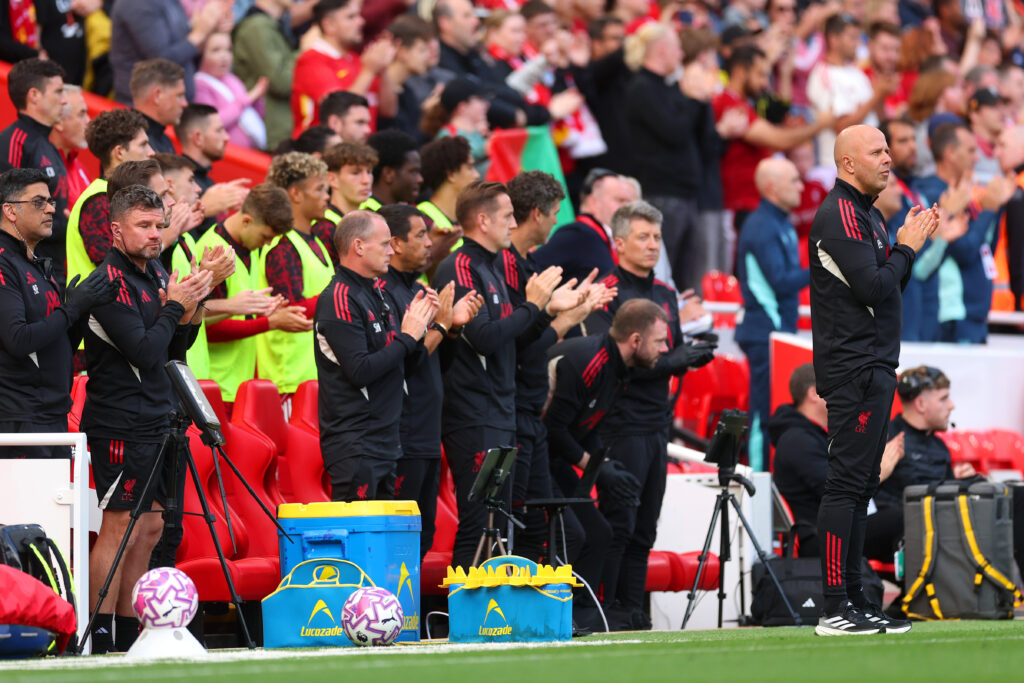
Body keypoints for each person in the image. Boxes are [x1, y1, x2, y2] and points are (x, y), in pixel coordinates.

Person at [808, 124, 939, 636]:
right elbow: (872, 286)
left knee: (861, 484)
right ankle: (835, 606)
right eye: (876, 151)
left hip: (874, 364)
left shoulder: (869, 214)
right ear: (847, 164)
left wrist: (908, 246)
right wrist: (905, 247)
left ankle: (857, 601)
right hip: (854, 368)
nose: (888, 159)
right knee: (845, 486)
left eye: (888, 149)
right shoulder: (840, 215)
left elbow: (889, 286)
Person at [84, 185, 212, 654]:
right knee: (120, 523)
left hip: (161, 414)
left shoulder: (156, 271)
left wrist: (194, 302)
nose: (156, 234)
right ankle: (99, 634)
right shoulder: (106, 283)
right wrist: (176, 305)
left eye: (160, 225)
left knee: (152, 527)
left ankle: (128, 631)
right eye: (144, 225)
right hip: (120, 420)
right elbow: (142, 350)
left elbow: (173, 351)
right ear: (116, 229)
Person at [583, 200, 716, 630]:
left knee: (646, 526)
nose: (653, 245)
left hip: (657, 422)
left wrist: (687, 356)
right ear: (618, 242)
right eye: (643, 237)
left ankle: (634, 611)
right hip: (620, 422)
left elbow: (666, 352)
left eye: (657, 237)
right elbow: (617, 360)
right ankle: (609, 611)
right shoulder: (607, 292)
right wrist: (679, 360)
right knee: (619, 520)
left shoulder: (664, 293)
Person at [431, 180, 569, 569]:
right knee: (479, 521)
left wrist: (546, 310)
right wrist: (533, 304)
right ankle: (461, 620)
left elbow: (516, 338)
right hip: (472, 413)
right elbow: (484, 337)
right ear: (482, 220)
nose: (514, 223)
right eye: (507, 216)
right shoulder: (459, 266)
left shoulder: (490, 266)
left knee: (500, 521)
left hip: (500, 409)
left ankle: (495, 618)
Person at [545, 298, 677, 629]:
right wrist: (596, 467)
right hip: (535, 457)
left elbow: (586, 426)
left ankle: (588, 615)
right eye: (660, 341)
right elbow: (553, 430)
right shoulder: (588, 362)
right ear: (636, 340)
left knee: (600, 532)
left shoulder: (618, 369)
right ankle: (559, 614)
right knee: (578, 534)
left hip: (557, 458)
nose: (665, 350)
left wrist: (603, 465)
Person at [503, 170, 611, 562]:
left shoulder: (528, 267)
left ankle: (539, 620)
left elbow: (534, 341)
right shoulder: (508, 270)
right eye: (554, 213)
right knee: (513, 525)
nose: (556, 222)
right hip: (508, 412)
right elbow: (515, 342)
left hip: (528, 412)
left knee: (543, 531)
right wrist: (548, 309)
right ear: (537, 213)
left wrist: (573, 311)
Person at [377, 203, 482, 553]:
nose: (428, 243)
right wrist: (441, 324)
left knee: (424, 537)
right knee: (398, 541)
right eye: (420, 235)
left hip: (426, 432)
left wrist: (452, 330)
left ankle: (410, 612)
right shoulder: (383, 293)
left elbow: (436, 362)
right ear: (395, 243)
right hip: (401, 434)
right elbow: (407, 360)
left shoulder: (416, 288)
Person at [315, 210, 439, 501]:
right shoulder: (339, 298)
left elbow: (401, 366)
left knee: (388, 541)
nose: (392, 250)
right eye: (384, 244)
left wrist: (425, 331)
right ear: (358, 246)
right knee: (361, 539)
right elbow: (360, 370)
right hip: (357, 443)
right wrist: (407, 336)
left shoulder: (377, 293)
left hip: (387, 439)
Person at [0, 168, 117, 458]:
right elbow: (18, 339)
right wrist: (73, 308)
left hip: (50, 412)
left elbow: (56, 340)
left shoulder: (36, 263)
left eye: (50, 201)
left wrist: (81, 311)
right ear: (10, 211)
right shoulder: (4, 264)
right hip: (19, 417)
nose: (51, 208)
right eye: (38, 202)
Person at [770, 363, 904, 562]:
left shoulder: (820, 434)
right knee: (907, 518)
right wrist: (878, 471)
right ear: (815, 393)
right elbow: (838, 492)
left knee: (912, 512)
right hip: (819, 536)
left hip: (842, 524)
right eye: (843, 387)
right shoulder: (797, 440)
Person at [623, 21, 717, 291]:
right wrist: (695, 100)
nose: (680, 55)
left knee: (686, 272)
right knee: (662, 269)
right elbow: (673, 131)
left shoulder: (670, 88)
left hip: (686, 192)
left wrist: (701, 100)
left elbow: (702, 138)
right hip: (662, 190)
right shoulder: (641, 87)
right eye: (677, 48)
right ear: (661, 49)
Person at [197, 184, 301, 404]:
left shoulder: (249, 248)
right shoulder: (214, 250)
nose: (269, 243)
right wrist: (269, 323)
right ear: (246, 221)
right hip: (215, 385)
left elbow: (239, 313)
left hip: (236, 387)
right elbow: (206, 327)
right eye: (266, 236)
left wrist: (263, 311)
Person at [735, 158, 809, 471]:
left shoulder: (779, 222)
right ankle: (756, 483)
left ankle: (769, 482)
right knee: (762, 413)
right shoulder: (762, 225)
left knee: (775, 412)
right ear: (771, 188)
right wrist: (823, 266)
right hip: (765, 331)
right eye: (793, 181)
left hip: (777, 332)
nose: (801, 186)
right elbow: (779, 281)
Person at [915, 123, 1014, 344]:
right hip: (954, 315)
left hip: (974, 314)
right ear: (950, 153)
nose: (977, 158)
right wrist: (989, 209)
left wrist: (995, 208)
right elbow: (965, 251)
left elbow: (984, 247)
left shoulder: (963, 191)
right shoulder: (933, 194)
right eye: (970, 150)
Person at [258, 152, 333, 396]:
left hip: (314, 375)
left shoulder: (316, 242)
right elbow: (291, 308)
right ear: (296, 193)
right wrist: (339, 294)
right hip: (289, 380)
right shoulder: (282, 244)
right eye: (320, 189)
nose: (327, 196)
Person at [66, 109, 155, 287]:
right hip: (94, 312)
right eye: (143, 145)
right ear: (119, 152)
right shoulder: (98, 201)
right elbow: (113, 268)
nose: (151, 152)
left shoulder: (121, 196)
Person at [0, 58, 69, 280]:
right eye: (58, 92)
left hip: (52, 267)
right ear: (34, 96)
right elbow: (6, 209)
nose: (64, 100)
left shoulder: (46, 143)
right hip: (25, 272)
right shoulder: (14, 141)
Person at [291, 0, 396, 137]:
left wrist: (383, 68)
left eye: (358, 15)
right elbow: (338, 110)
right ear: (329, 25)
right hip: (320, 152)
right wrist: (369, 70)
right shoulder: (312, 60)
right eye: (351, 17)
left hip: (360, 152)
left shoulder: (357, 60)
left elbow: (389, 111)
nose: (361, 22)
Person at [807, 14, 895, 170]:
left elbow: (879, 120)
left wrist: (881, 94)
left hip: (871, 163)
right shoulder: (822, 74)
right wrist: (876, 95)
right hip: (841, 168)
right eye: (852, 37)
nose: (857, 43)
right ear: (833, 39)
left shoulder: (858, 73)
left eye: (858, 37)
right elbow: (841, 127)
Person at [877, 366, 973, 508]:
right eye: (943, 399)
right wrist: (879, 473)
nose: (951, 405)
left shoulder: (939, 446)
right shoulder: (884, 440)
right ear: (921, 404)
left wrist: (960, 481)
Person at [110, 0, 230, 103]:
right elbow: (161, 61)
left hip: (173, 104)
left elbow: (183, 43)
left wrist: (211, 29)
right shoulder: (137, 4)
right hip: (145, 107)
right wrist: (199, 34)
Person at [533, 168, 635, 285]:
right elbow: (531, 269)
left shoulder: (601, 238)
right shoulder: (578, 234)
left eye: (630, 202)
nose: (627, 207)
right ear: (593, 202)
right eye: (620, 200)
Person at [232, 0, 300, 150]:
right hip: (271, 135)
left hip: (276, 132)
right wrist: (305, 52)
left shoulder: (269, 25)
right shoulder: (258, 26)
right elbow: (280, 82)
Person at [176, 104, 251, 237]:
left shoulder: (209, 182)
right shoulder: (177, 182)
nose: (226, 137)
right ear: (197, 138)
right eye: (219, 131)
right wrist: (204, 209)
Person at [194, 30, 268, 150]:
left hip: (251, 150)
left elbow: (255, 115)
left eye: (228, 50)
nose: (224, 56)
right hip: (227, 153)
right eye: (216, 50)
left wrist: (258, 99)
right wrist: (248, 99)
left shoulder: (233, 79)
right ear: (201, 54)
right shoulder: (199, 84)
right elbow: (212, 123)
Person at [319, 141, 378, 256]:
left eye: (369, 172)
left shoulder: (372, 218)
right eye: (356, 173)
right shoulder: (324, 227)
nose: (366, 180)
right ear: (332, 179)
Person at [129, 58, 188, 155]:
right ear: (157, 96)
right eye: (179, 95)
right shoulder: (130, 142)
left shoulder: (164, 140)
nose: (185, 104)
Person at [49, 84, 91, 206]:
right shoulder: (41, 168)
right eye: (81, 114)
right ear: (59, 122)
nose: (88, 121)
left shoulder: (81, 169)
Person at [364, 129, 423, 209]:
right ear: (388, 174)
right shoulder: (366, 217)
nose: (420, 179)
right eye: (413, 172)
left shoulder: (396, 215)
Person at [967, 89, 1005, 185]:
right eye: (994, 107)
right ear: (974, 114)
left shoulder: (1003, 142)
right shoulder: (967, 146)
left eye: (1001, 107)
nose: (1001, 112)